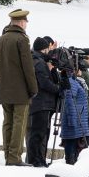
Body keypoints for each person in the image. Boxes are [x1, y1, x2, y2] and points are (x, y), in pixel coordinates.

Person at [0, 9, 38, 166]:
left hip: (4, 89)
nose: (26, 24)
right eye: (25, 21)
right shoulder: (22, 40)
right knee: (19, 122)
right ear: (21, 22)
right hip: (20, 90)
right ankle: (15, 157)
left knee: (8, 122)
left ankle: (8, 155)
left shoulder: (0, 40)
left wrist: (1, 86)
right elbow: (28, 68)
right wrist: (33, 88)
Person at [26, 37, 61, 167]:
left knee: (39, 133)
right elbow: (44, 83)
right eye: (47, 49)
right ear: (44, 49)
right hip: (41, 102)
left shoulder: (36, 60)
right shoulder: (39, 62)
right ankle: (35, 160)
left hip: (40, 102)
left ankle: (38, 159)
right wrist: (58, 89)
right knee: (38, 134)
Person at [59, 62, 89, 165]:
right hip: (75, 121)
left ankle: (72, 164)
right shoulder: (71, 82)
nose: (82, 71)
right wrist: (71, 120)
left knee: (76, 146)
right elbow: (69, 101)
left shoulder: (74, 81)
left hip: (78, 119)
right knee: (72, 149)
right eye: (80, 69)